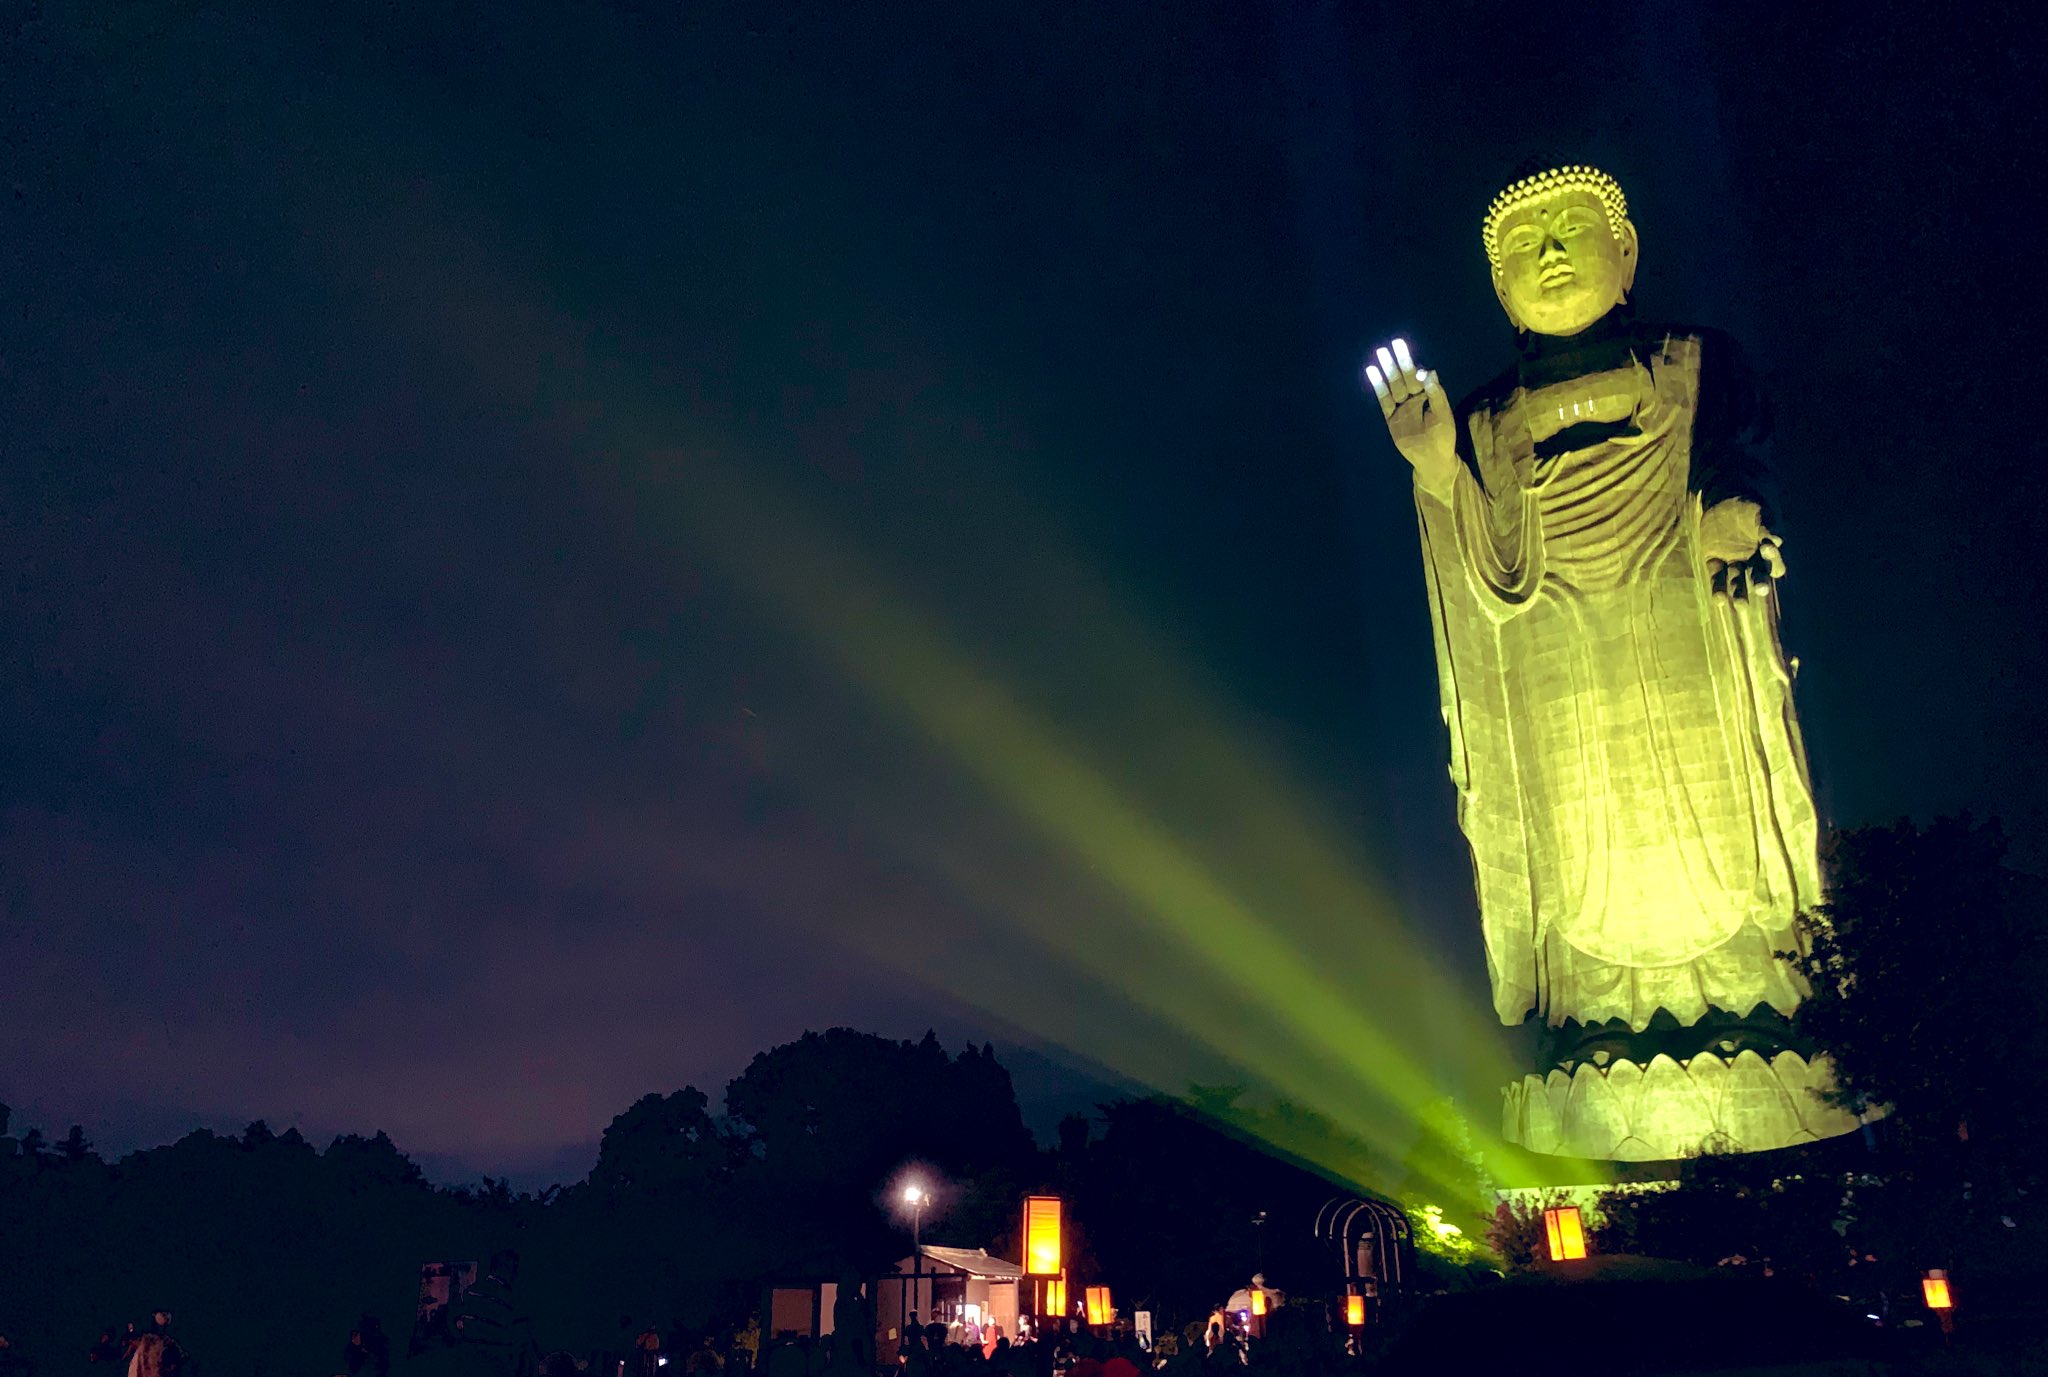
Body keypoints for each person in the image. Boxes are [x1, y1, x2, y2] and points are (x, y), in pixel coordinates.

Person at [1367, 158, 1864, 1159]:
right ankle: (1595, 1028)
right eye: (1521, 247)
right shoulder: (1486, 417)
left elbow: (1735, 458)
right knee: (1573, 837)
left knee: (1718, 810)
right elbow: (1491, 584)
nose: (1548, 257)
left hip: (1680, 628)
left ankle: (1762, 1014)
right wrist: (1432, 467)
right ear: (1497, 285)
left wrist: (1733, 513)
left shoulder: (1692, 361)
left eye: (1568, 233)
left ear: (1624, 253)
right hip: (1554, 668)